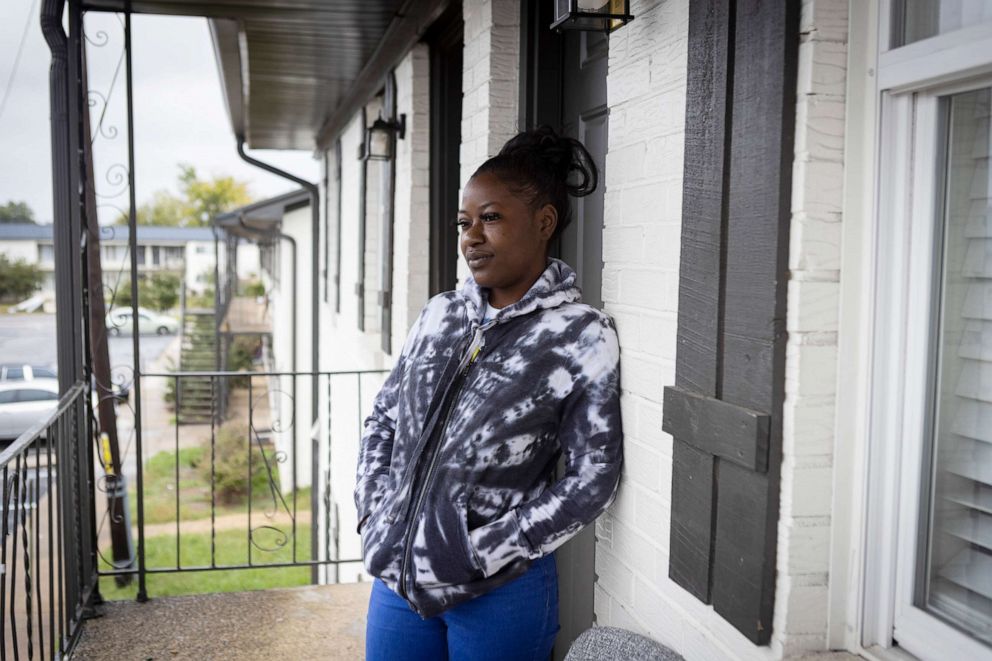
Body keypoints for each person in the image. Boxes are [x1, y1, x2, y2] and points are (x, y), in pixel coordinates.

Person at [355, 125, 623, 661]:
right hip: (398, 581)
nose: (471, 236)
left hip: (500, 591)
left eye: (491, 218)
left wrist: (484, 549)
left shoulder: (579, 333)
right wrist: (374, 514)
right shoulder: (440, 313)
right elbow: (384, 418)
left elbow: (594, 478)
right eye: (465, 222)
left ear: (543, 221)